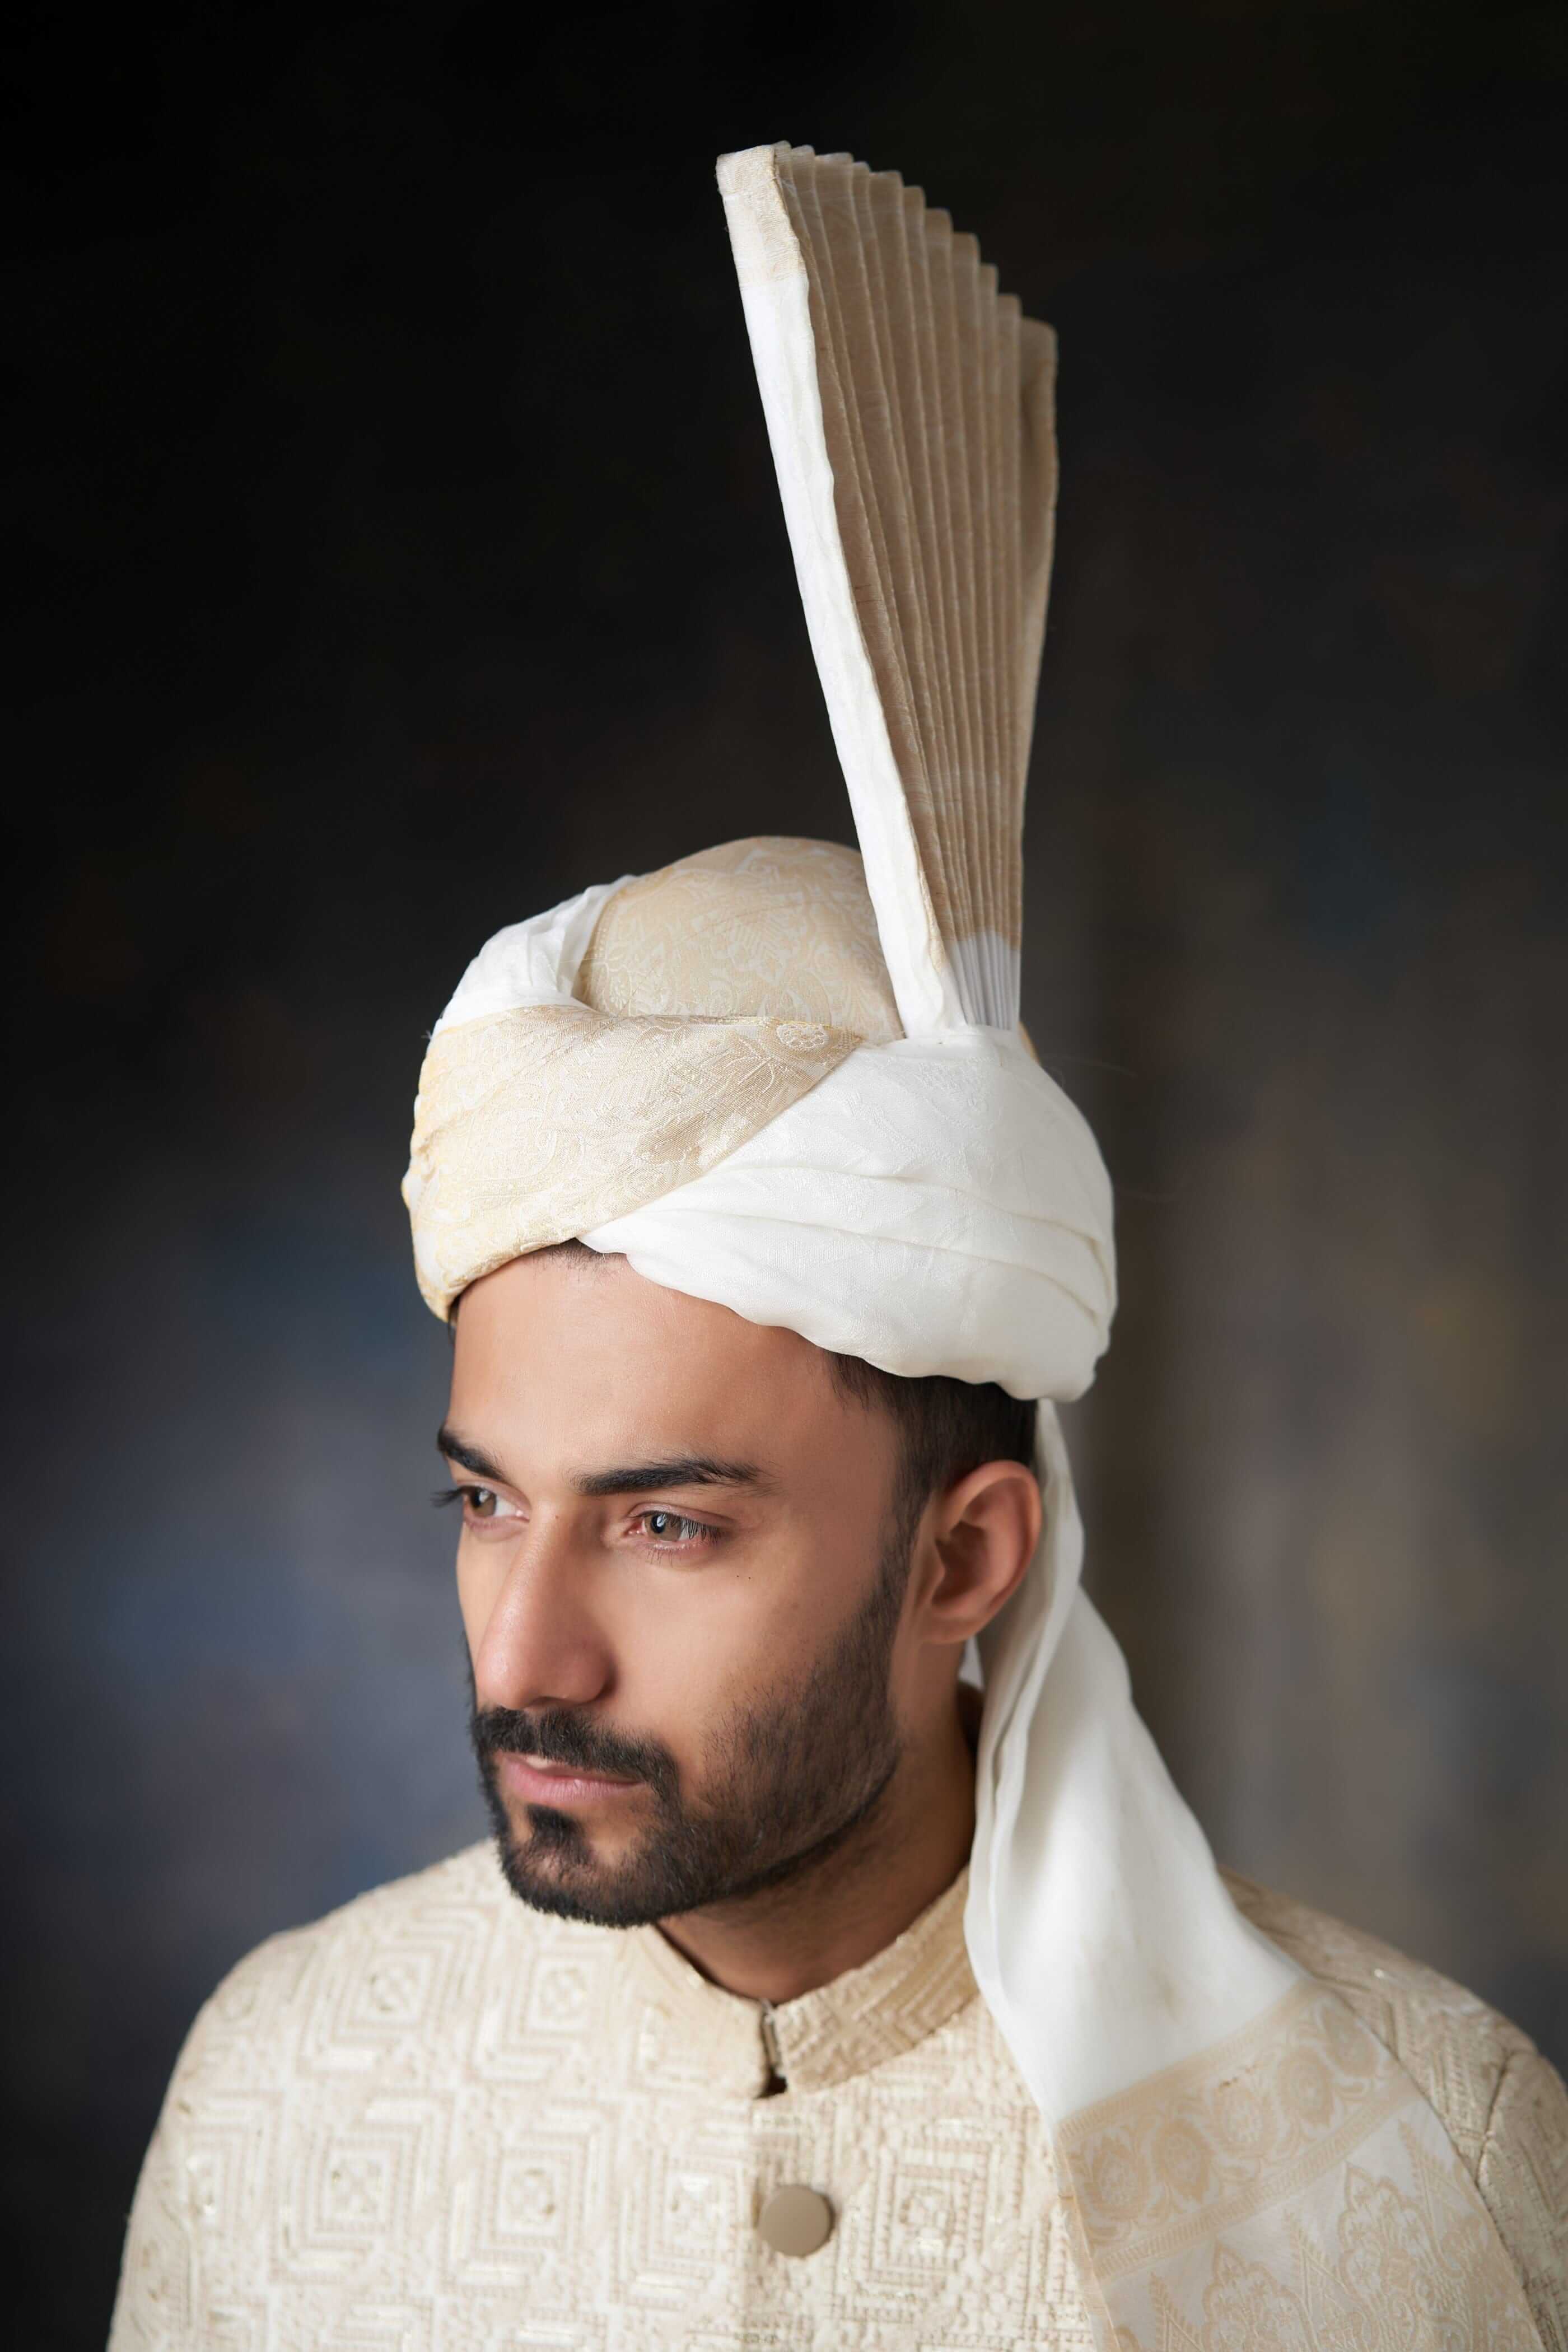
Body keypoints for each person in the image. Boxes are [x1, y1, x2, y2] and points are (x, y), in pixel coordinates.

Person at [110, 143, 1567, 2350]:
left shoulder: (1425, 2164)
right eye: (483, 1499)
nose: (529, 1654)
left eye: (668, 1525)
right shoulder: (284, 2088)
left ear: (965, 1556)